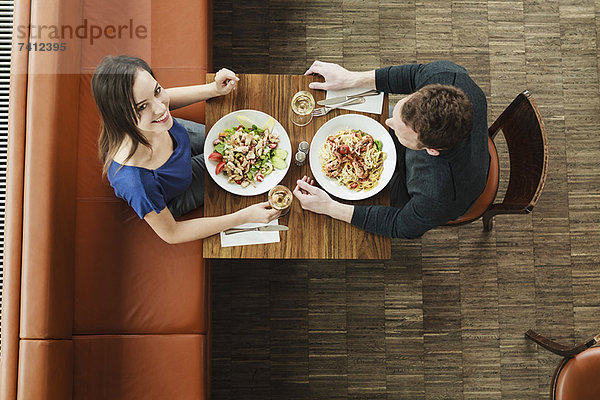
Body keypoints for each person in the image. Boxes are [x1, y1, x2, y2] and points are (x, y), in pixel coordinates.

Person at [92, 55, 279, 244]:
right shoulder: (137, 183)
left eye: (157, 91)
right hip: (180, 189)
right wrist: (244, 217)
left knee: (245, 147)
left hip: (181, 137)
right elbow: (172, 234)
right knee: (248, 176)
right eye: (142, 107)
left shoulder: (156, 118)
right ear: (120, 118)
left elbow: (164, 100)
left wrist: (213, 89)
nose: (161, 108)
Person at [294, 60, 490, 239]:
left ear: (431, 151)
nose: (388, 123)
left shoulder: (438, 196)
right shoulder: (447, 76)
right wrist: (351, 78)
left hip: (418, 186)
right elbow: (413, 75)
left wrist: (329, 207)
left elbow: (400, 225)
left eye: (398, 130)